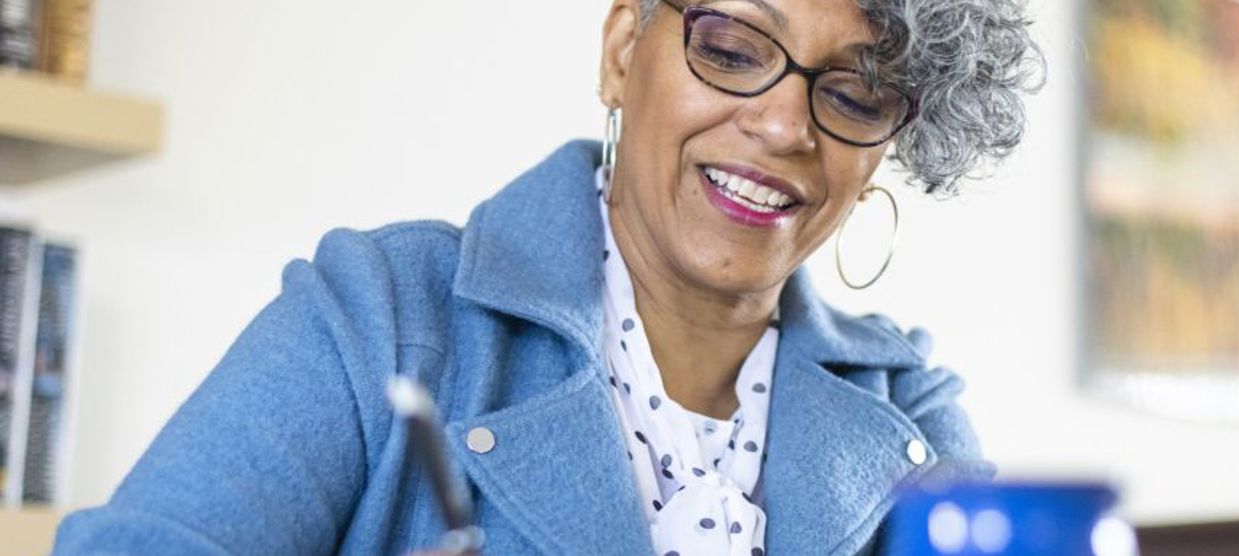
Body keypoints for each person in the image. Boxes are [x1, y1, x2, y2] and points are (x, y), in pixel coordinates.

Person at [52, 0, 1041, 554]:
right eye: (733, 48)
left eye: (856, 93)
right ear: (622, 52)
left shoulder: (910, 417)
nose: (786, 125)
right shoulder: (382, 315)